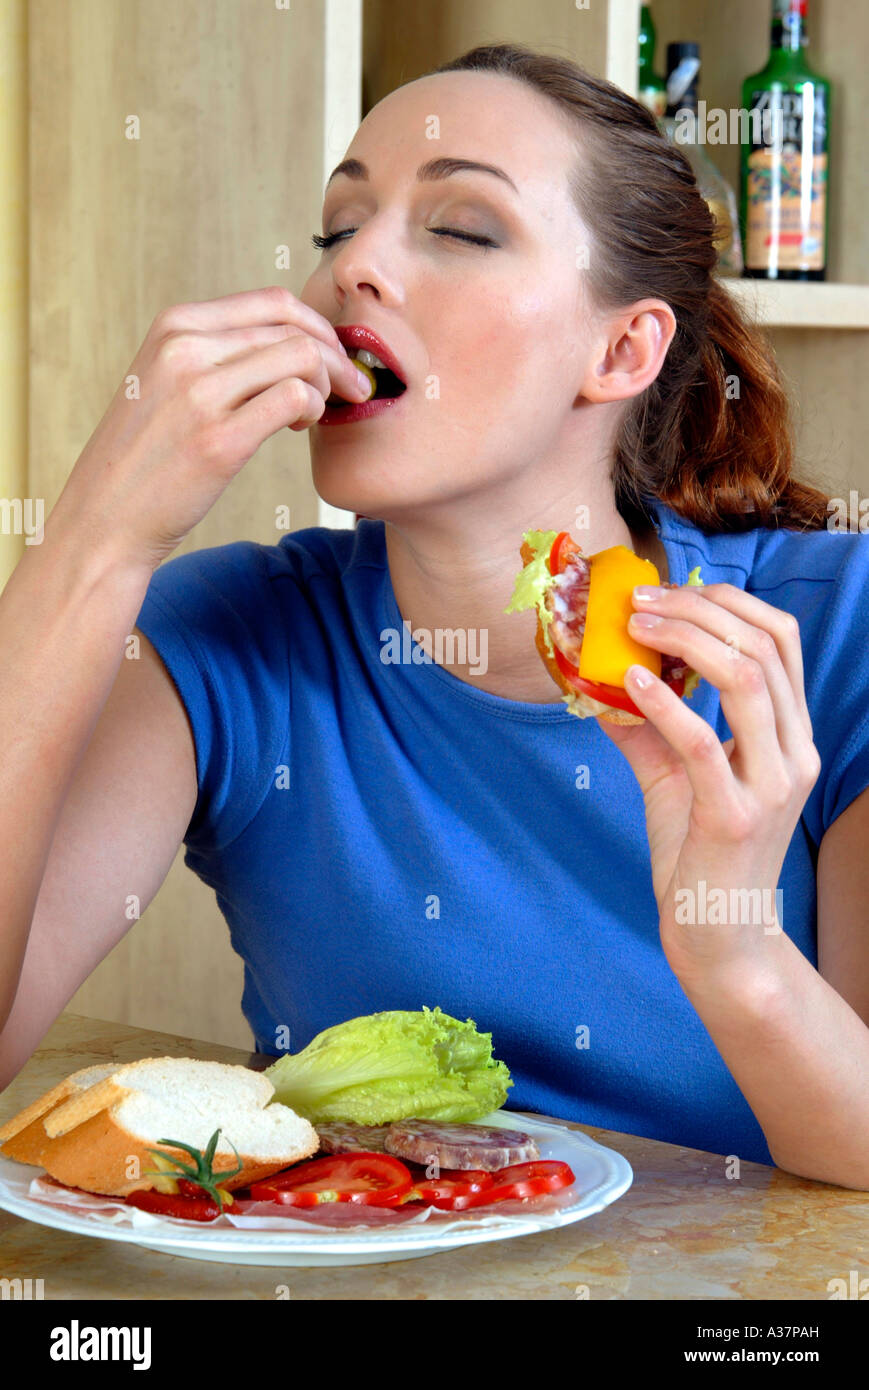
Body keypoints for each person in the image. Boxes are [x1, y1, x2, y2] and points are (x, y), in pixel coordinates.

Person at [1, 43, 867, 1187]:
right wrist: (93, 540)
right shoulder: (221, 634)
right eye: (336, 227)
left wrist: (731, 944)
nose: (353, 264)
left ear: (620, 350)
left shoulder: (831, 624)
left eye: (459, 228)